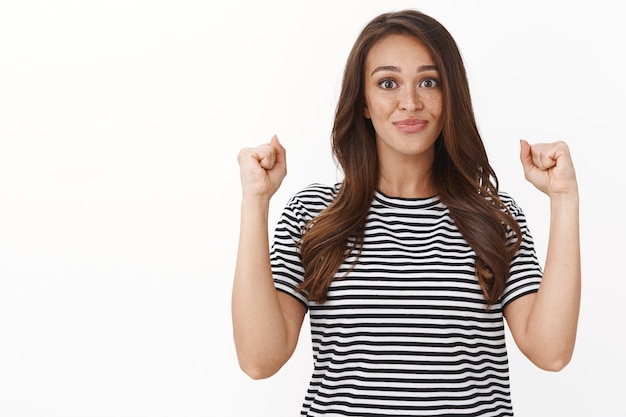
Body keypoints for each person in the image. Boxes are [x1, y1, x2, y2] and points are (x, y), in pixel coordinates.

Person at [232, 9, 580, 417]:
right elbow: (260, 360)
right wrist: (255, 202)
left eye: (428, 82)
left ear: (450, 96)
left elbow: (551, 352)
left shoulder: (493, 218)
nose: (410, 102)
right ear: (363, 101)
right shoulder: (313, 214)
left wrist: (564, 199)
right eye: (388, 83)